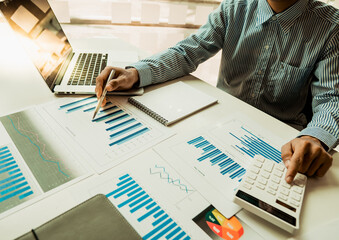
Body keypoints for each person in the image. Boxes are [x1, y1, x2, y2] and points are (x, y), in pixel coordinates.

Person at [96, 0, 339, 184]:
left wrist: (314, 138)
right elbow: (187, 52)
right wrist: (137, 73)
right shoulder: (234, 8)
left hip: (282, 146)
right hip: (220, 129)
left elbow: (332, 98)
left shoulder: (330, 28)